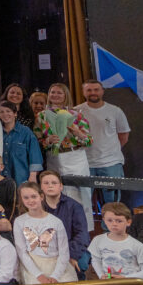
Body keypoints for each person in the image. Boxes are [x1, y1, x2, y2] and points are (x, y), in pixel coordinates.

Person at [34, 83, 93, 227]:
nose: (55, 95)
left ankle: (84, 229)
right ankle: (60, 227)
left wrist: (76, 132)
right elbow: (38, 140)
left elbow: (88, 141)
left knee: (82, 194)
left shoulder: (77, 115)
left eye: (59, 93)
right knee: (56, 193)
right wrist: (47, 140)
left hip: (75, 157)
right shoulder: (41, 116)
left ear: (66, 95)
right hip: (54, 157)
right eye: (52, 92)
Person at [14, 181, 79, 285]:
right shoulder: (19, 221)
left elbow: (64, 252)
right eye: (26, 198)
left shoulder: (56, 222)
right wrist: (39, 275)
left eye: (33, 196)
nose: (30, 201)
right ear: (22, 199)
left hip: (56, 263)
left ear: (41, 197)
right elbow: (22, 252)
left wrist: (55, 276)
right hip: (34, 264)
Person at [74, 79, 130, 205]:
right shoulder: (76, 112)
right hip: (85, 163)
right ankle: (87, 225)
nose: (93, 92)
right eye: (89, 90)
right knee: (83, 201)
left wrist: (109, 150)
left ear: (102, 91)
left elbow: (124, 136)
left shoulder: (115, 111)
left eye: (96, 89)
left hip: (111, 163)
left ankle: (109, 225)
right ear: (83, 92)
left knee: (112, 203)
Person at [0, 100, 42, 184]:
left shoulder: (26, 132)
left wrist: (32, 176)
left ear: (15, 113)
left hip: (21, 179)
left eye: (8, 111)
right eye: (2, 112)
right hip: (0, 178)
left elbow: (35, 155)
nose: (5, 114)